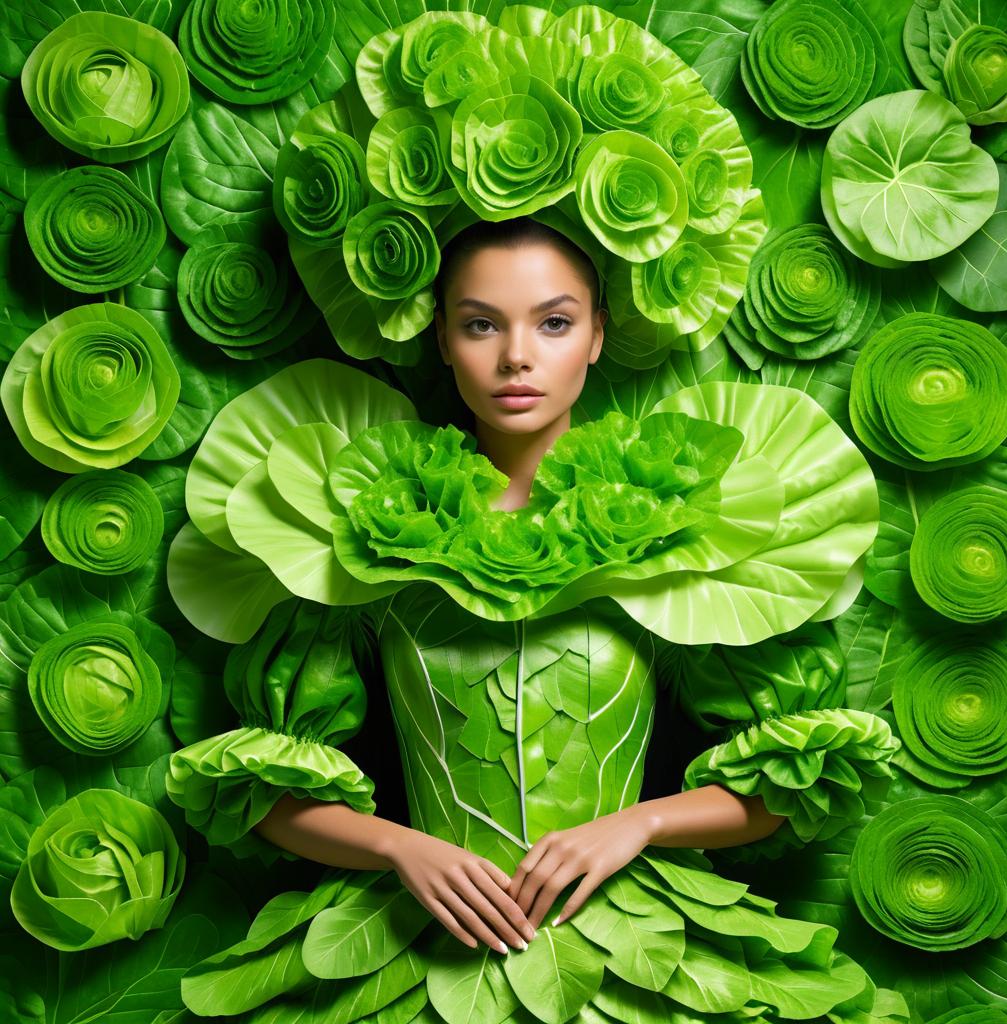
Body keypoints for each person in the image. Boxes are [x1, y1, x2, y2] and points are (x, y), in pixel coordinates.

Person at [165, 216, 910, 1024]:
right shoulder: (370, 523)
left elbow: (795, 779)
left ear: (596, 336)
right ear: (443, 340)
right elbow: (261, 789)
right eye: (481, 323)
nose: (516, 356)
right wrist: (397, 844)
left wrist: (641, 824)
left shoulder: (675, 526)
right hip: (416, 934)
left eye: (553, 322)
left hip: (632, 938)